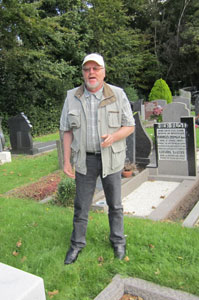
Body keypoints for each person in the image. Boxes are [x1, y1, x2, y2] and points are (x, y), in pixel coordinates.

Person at [59, 53, 135, 265]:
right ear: (83, 73)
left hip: (111, 158)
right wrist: (66, 161)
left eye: (95, 68)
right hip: (85, 160)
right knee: (81, 205)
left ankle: (118, 241)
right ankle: (76, 245)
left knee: (115, 204)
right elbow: (65, 130)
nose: (91, 73)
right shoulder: (72, 97)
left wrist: (114, 136)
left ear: (103, 72)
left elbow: (129, 125)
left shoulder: (117, 94)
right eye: (87, 69)